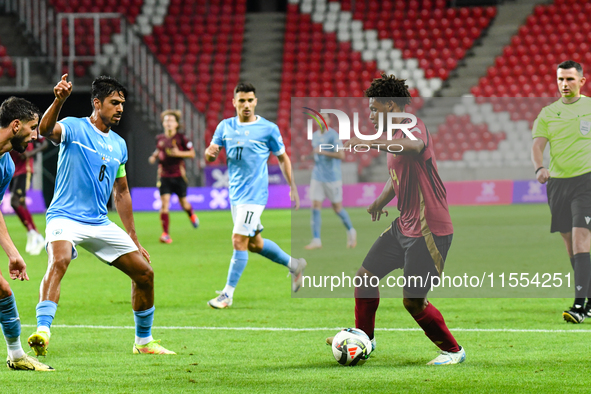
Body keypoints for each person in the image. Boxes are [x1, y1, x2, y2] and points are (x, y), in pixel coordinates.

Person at [27, 74, 175, 356]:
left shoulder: (119, 145)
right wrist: (59, 100)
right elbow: (46, 130)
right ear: (97, 103)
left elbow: (121, 192)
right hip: (65, 217)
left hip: (98, 221)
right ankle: (43, 332)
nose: (120, 108)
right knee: (59, 260)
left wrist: (133, 236)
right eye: (114, 102)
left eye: (122, 103)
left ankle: (143, 342)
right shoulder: (74, 127)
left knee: (144, 274)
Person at [327, 74, 465, 365]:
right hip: (404, 224)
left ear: (391, 105)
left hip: (430, 228)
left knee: (413, 301)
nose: (371, 115)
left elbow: (415, 147)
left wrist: (369, 141)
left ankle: (454, 352)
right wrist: (379, 201)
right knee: (365, 278)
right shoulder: (395, 137)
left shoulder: (413, 125)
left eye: (374, 109)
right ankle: (365, 339)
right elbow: (398, 176)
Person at [204, 82, 306, 309]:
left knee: (238, 240)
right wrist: (209, 154)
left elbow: (283, 158)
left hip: (255, 196)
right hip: (236, 195)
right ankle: (295, 265)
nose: (246, 105)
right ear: (234, 103)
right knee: (254, 244)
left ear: (256, 101)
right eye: (242, 100)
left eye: (250, 100)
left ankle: (227, 295)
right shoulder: (225, 127)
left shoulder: (268, 129)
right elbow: (210, 155)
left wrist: (293, 187)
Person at [532, 60, 591, 323]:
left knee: (581, 240)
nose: (564, 84)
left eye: (569, 79)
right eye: (560, 79)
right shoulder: (547, 113)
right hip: (558, 185)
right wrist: (539, 168)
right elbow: (537, 146)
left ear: (582, 81)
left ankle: (579, 306)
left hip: (587, 182)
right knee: (570, 245)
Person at [0, 96, 54, 371]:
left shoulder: (6, 165)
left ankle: (17, 356)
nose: (36, 135)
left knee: (2, 289)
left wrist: (13, 253)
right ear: (16, 125)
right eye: (33, 128)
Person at [303, 115, 357, 250]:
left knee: (337, 208)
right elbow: (317, 153)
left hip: (332, 177)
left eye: (324, 119)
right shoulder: (315, 135)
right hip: (317, 176)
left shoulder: (333, 135)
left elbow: (341, 155)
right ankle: (316, 240)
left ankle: (351, 231)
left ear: (328, 121)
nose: (321, 121)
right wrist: (310, 156)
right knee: (315, 205)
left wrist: (323, 152)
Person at [148, 109, 199, 244]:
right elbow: (159, 149)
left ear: (176, 124)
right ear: (163, 124)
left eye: (171, 120)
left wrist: (179, 153)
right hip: (164, 176)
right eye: (166, 121)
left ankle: (191, 215)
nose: (169, 123)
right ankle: (165, 234)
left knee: (184, 203)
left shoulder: (182, 138)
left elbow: (192, 154)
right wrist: (154, 156)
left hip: (178, 176)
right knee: (164, 204)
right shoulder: (160, 138)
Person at [9, 136, 48, 255]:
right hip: (12, 169)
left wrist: (30, 153)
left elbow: (44, 144)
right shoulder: (7, 125)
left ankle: (33, 233)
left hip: (24, 169)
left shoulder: (29, 125)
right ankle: (36, 235)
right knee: (21, 203)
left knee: (15, 202)